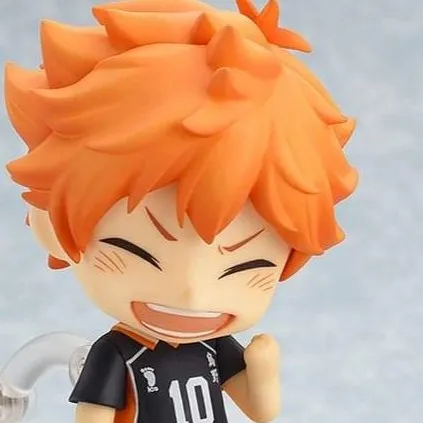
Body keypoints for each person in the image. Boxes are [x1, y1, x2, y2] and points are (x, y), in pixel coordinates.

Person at [3, 0, 358, 421]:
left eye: (247, 268)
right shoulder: (115, 354)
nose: (193, 293)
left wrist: (263, 371)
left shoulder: (213, 347)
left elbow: (262, 412)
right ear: (49, 226)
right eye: (136, 251)